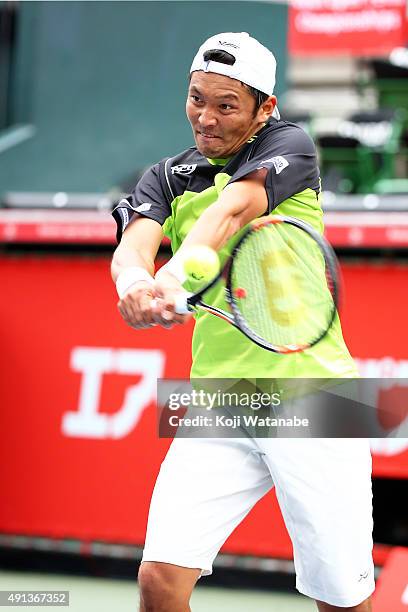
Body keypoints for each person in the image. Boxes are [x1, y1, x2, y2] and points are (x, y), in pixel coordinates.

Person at [111, 32, 374, 612]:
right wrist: (133, 285)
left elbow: (229, 216)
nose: (206, 117)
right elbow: (133, 247)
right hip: (218, 401)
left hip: (317, 397)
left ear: (265, 110)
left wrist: (172, 283)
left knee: (343, 602)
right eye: (196, 98)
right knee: (159, 580)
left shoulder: (291, 146)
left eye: (227, 105)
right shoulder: (166, 177)